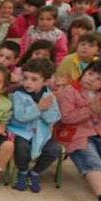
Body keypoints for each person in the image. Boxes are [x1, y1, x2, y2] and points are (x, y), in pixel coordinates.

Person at [56, 60, 101, 201]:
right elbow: (67, 118)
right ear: (85, 71)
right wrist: (91, 109)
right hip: (77, 135)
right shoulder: (70, 91)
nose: (91, 79)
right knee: (92, 161)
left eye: (99, 79)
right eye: (91, 73)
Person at [8, 58, 61, 193]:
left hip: (42, 133)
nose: (28, 82)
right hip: (21, 131)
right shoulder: (18, 94)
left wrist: (44, 109)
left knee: (54, 149)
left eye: (34, 79)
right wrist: (39, 107)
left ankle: (36, 173)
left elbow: (53, 118)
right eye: (25, 78)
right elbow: (20, 116)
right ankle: (23, 172)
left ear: (45, 81)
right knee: (21, 147)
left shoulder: (50, 96)